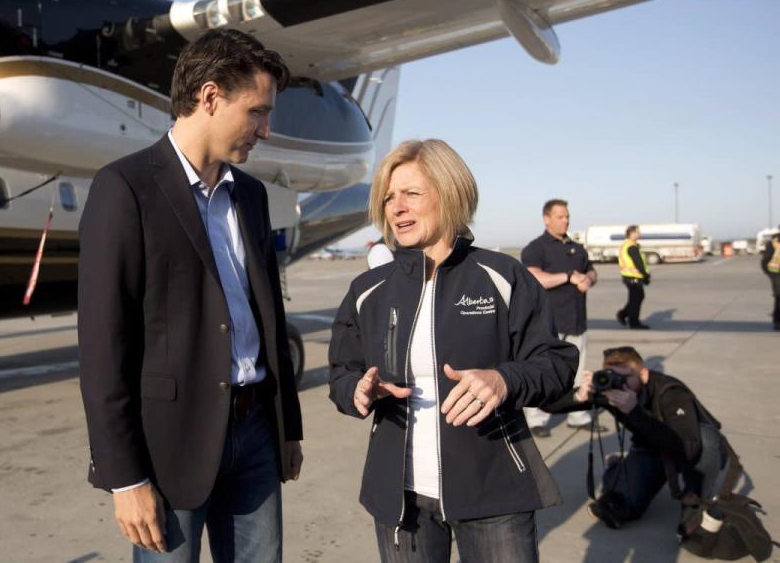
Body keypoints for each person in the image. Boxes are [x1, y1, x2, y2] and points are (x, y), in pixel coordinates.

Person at [78, 28, 303, 562]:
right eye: (257, 112)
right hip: (168, 448)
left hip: (255, 435)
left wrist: (286, 428)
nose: (265, 131)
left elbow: (269, 317)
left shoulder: (250, 195)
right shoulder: (124, 188)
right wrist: (124, 478)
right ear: (209, 97)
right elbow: (103, 347)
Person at [327, 139, 578, 562]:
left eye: (411, 193)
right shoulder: (367, 291)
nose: (396, 207)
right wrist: (356, 391)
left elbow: (557, 364)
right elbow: (340, 373)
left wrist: (503, 380)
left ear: (450, 192)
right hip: (400, 501)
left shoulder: (501, 276)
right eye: (389, 197)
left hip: (493, 490)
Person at [545, 346, 735, 529]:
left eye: (625, 377)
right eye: (612, 375)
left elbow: (689, 448)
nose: (620, 382)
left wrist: (634, 412)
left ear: (643, 374)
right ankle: (619, 468)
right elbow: (548, 406)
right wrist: (580, 395)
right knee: (619, 507)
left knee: (707, 439)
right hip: (651, 450)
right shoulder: (612, 391)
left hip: (691, 447)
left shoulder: (670, 392)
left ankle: (695, 504)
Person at [520, 199, 598, 437]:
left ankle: (577, 414)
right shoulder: (536, 248)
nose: (565, 220)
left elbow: (592, 269)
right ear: (546, 218)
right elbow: (534, 277)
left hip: (576, 321)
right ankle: (536, 419)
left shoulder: (577, 248)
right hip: (548, 324)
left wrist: (589, 279)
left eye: (567, 217)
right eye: (560, 217)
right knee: (543, 371)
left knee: (577, 371)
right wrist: (567, 276)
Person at [617, 225, 651, 329]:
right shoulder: (631, 246)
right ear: (632, 233)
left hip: (628, 276)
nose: (639, 234)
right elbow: (638, 262)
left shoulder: (626, 244)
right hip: (633, 276)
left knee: (636, 298)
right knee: (637, 298)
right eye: (637, 232)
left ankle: (624, 314)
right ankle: (634, 322)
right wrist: (645, 275)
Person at [761, 227, 780, 330]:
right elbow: (765, 260)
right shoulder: (773, 243)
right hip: (776, 273)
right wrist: (768, 272)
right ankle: (777, 321)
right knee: (779, 297)